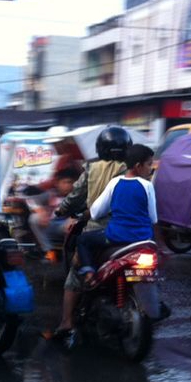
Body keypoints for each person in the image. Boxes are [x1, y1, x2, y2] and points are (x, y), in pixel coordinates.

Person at [52, 126, 131, 336]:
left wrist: (61, 210)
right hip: (134, 232)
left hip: (100, 230)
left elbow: (76, 195)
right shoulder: (135, 168)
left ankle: (67, 322)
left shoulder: (92, 169)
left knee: (74, 276)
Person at [77, 144, 157, 283]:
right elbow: (153, 218)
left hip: (116, 237)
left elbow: (95, 213)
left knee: (83, 240)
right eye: (149, 164)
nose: (151, 168)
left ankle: (89, 273)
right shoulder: (147, 185)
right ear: (138, 166)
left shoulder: (114, 183)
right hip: (143, 239)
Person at [27, 166, 80, 257]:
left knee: (74, 225)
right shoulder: (51, 193)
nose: (68, 185)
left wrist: (74, 218)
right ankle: (48, 251)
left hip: (64, 226)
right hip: (49, 225)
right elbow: (30, 200)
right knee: (33, 218)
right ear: (57, 183)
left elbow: (83, 210)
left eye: (70, 182)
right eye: (64, 182)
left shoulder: (76, 196)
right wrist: (40, 211)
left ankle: (73, 254)